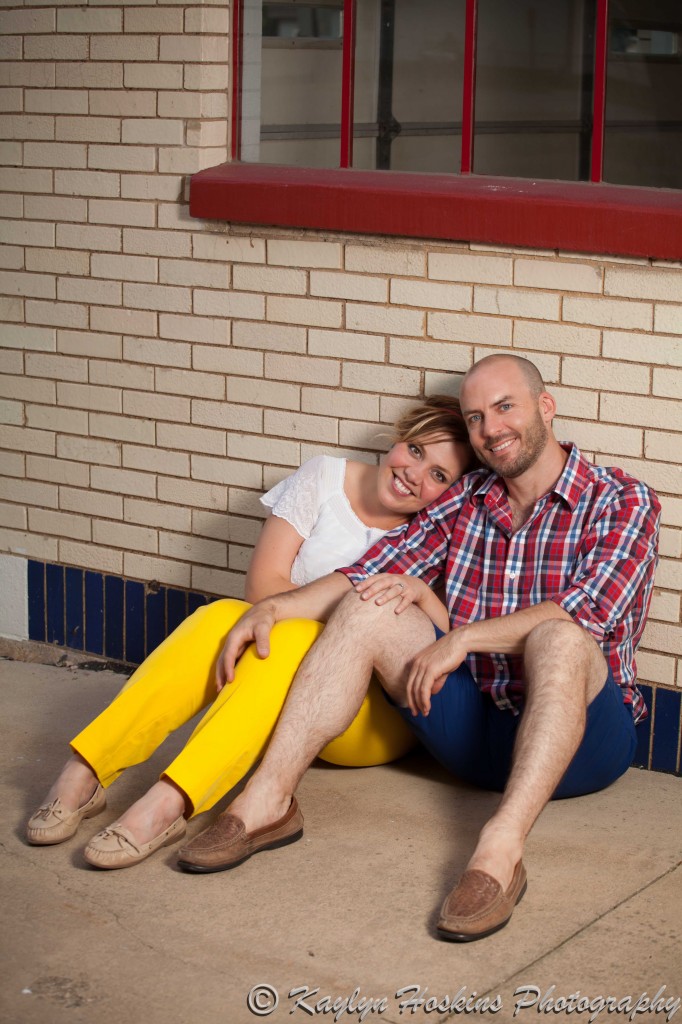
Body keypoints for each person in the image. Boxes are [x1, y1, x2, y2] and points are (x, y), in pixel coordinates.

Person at [178, 354, 660, 944]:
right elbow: (374, 567)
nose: (491, 429)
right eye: (476, 417)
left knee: (559, 636)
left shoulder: (623, 500)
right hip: (473, 733)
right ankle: (266, 803)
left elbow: (590, 614)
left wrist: (461, 636)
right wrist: (273, 607)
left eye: (505, 407)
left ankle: (498, 852)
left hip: (583, 741)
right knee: (374, 598)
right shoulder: (466, 499)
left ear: (545, 405)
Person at [26, 396, 475, 868]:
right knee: (219, 615)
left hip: (359, 715)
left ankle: (170, 800)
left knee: (286, 638)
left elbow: (441, 638)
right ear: (400, 437)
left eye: (440, 477)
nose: (415, 475)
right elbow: (262, 589)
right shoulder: (325, 478)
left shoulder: (433, 535)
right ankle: (87, 768)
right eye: (417, 451)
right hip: (274, 675)